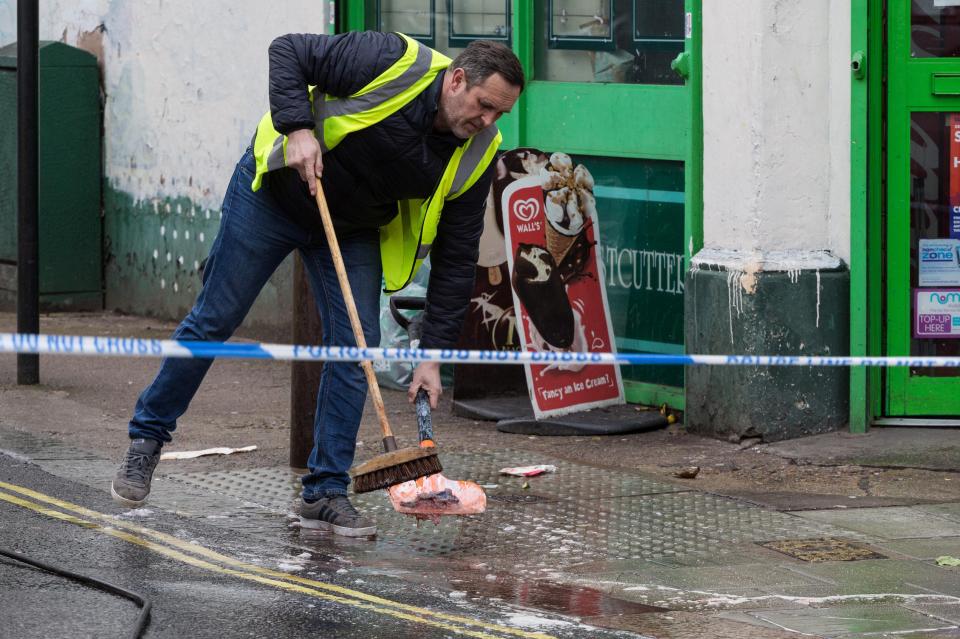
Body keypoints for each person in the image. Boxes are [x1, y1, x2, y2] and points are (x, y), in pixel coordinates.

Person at [110, 31, 524, 537]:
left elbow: (458, 256)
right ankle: (146, 441)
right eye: (484, 106)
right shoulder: (392, 61)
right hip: (278, 196)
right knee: (215, 319)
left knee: (356, 351)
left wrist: (434, 354)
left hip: (350, 228)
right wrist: (297, 127)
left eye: (499, 114)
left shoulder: (479, 149)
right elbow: (288, 52)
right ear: (457, 79)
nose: (487, 122)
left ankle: (325, 491)